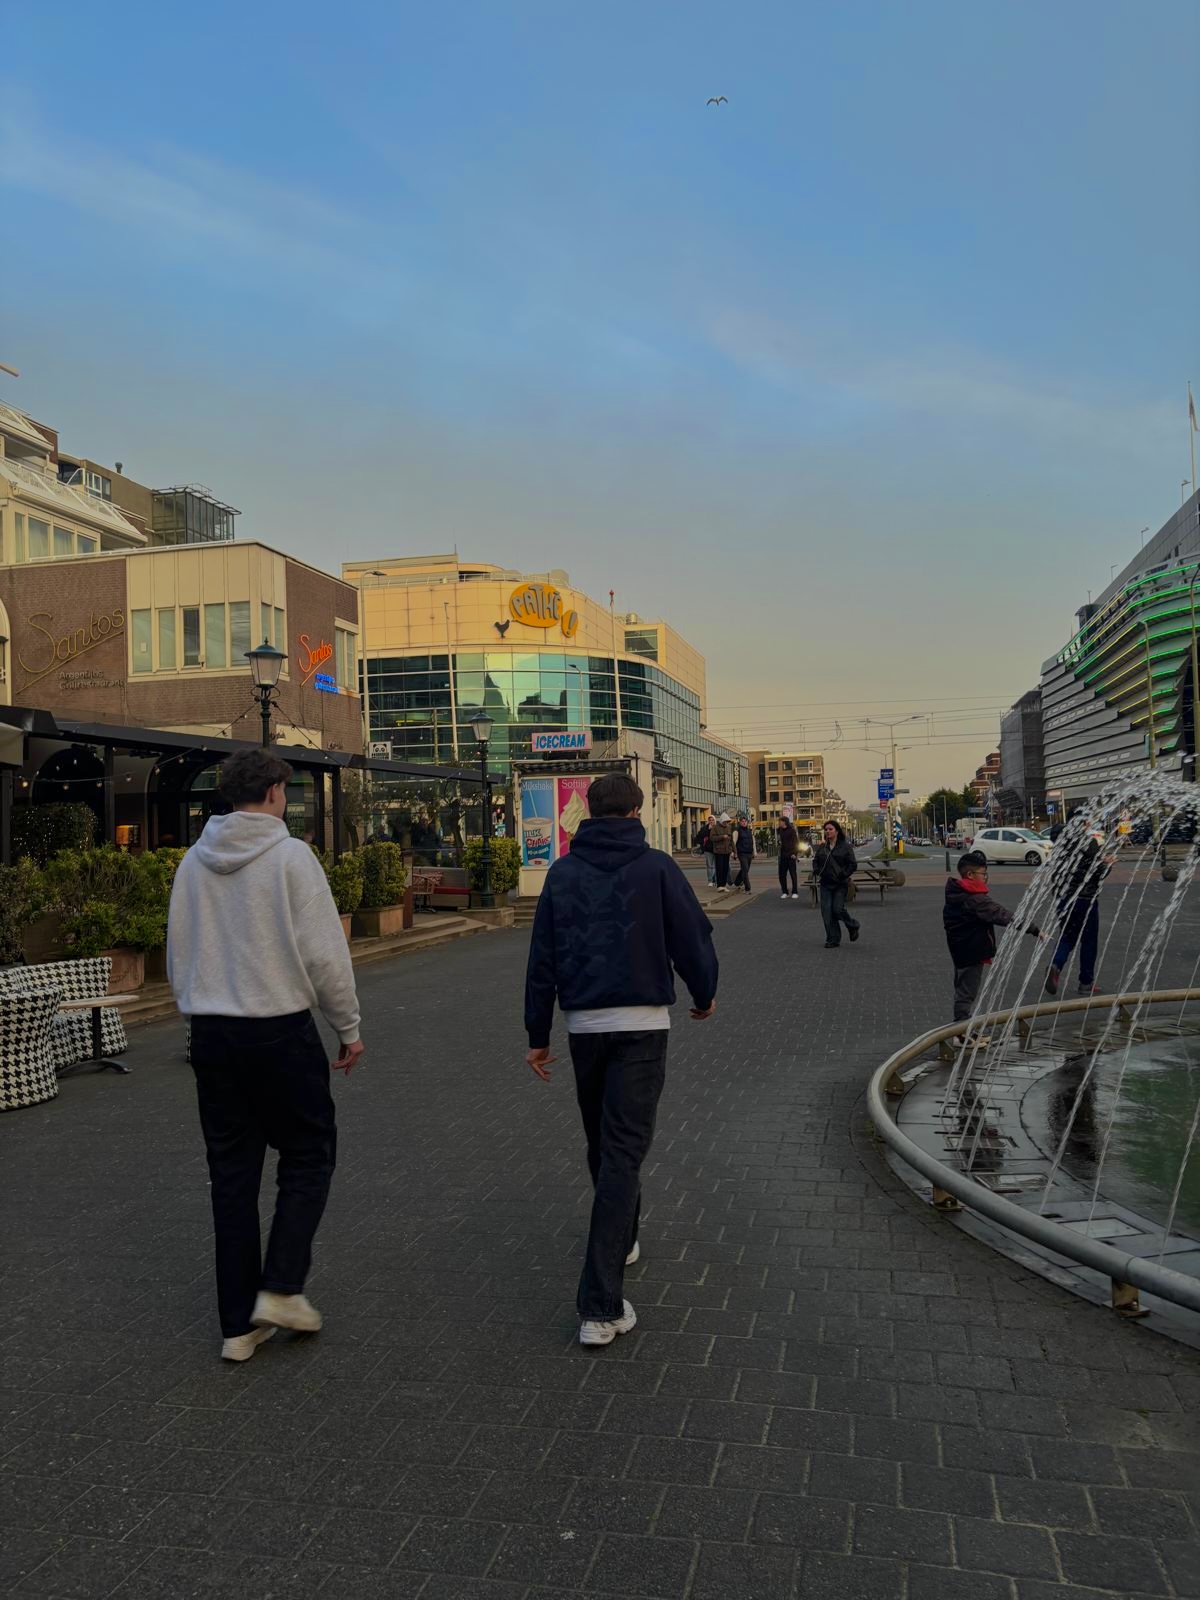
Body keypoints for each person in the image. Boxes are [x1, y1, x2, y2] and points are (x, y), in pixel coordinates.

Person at [167, 749, 364, 1363]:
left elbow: (178, 948)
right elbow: (324, 954)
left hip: (212, 1032)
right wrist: (348, 1026)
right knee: (309, 1152)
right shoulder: (290, 857)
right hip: (278, 1028)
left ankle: (238, 1326)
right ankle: (280, 1287)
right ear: (276, 791)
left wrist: (195, 1009)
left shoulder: (193, 862)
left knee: (231, 1176)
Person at [523, 773, 718, 1347]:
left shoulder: (563, 872)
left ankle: (623, 1236)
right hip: (642, 1026)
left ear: (590, 811)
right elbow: (692, 938)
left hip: (585, 1027)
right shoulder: (657, 867)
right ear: (636, 812)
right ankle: (601, 1306)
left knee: (605, 1146)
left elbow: (541, 958)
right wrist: (704, 993)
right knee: (623, 1153)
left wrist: (537, 1034)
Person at [944, 850, 1043, 1029]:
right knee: (967, 992)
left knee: (963, 990)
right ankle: (961, 1032)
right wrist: (1033, 929)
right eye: (983, 873)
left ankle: (963, 1028)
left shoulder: (957, 893)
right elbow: (1002, 915)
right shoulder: (975, 899)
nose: (985, 877)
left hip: (961, 949)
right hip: (971, 951)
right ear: (970, 875)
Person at [1045, 829, 1114, 997]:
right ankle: (1086, 982)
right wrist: (1108, 864)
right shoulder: (1087, 843)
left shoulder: (1060, 848)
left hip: (1063, 900)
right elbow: (1099, 872)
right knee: (1089, 941)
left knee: (1067, 936)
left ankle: (1056, 965)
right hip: (1085, 900)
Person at [811, 819, 860, 947]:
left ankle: (852, 925)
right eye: (826, 829)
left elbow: (853, 864)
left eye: (830, 829)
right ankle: (833, 939)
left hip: (840, 884)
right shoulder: (823, 847)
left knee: (837, 909)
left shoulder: (845, 846)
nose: (828, 831)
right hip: (825, 884)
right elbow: (815, 860)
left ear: (837, 831)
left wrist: (843, 874)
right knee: (826, 912)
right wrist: (817, 870)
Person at [710, 811, 735, 891]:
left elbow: (731, 841)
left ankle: (723, 885)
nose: (726, 823)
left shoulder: (729, 828)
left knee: (725, 869)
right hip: (718, 851)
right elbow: (712, 838)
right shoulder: (715, 828)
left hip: (727, 851)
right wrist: (722, 837)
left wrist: (734, 851)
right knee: (719, 868)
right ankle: (719, 885)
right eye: (725, 822)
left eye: (727, 822)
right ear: (721, 821)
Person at [777, 815, 800, 899]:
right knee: (782, 875)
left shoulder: (792, 830)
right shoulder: (780, 830)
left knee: (793, 874)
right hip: (783, 856)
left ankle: (795, 892)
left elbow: (796, 843)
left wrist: (795, 853)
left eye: (780, 821)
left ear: (784, 822)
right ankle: (785, 892)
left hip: (791, 855)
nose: (779, 823)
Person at [733, 813, 756, 892]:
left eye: (745, 821)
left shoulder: (749, 831)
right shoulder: (737, 831)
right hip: (742, 853)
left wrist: (754, 852)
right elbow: (734, 842)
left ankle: (737, 882)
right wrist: (734, 853)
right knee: (745, 870)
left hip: (749, 852)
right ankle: (747, 888)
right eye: (742, 821)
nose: (744, 823)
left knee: (745, 869)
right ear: (740, 822)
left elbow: (753, 841)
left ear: (747, 822)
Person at [697, 812, 716, 886]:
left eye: (712, 820)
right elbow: (699, 836)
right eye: (710, 820)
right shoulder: (704, 828)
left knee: (717, 866)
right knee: (710, 866)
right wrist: (708, 830)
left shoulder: (718, 828)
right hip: (708, 850)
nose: (711, 821)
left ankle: (715, 880)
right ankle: (710, 881)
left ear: (715, 820)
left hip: (717, 849)